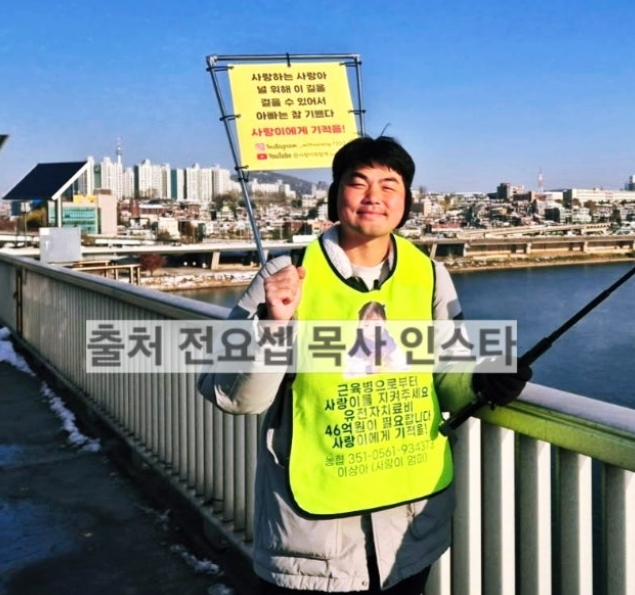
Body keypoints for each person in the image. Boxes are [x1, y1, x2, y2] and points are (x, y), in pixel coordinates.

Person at [198, 135, 532, 594]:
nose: (374, 196)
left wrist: (485, 381)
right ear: (335, 196)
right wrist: (274, 324)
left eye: (390, 186)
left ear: (407, 201)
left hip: (409, 527)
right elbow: (232, 397)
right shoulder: (284, 275)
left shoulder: (429, 275)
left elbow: (447, 379)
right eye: (358, 183)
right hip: (313, 539)